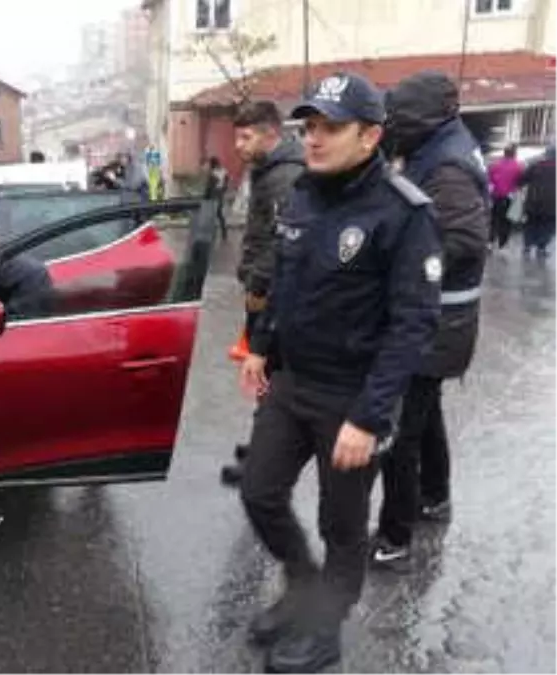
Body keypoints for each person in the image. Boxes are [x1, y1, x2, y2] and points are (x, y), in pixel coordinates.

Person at [238, 73, 442, 673]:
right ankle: (304, 588)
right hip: (295, 380)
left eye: (331, 128)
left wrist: (369, 417)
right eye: (309, 127)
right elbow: (284, 282)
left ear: (370, 134)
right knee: (259, 491)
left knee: (342, 523)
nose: (314, 139)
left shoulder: (404, 213)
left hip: (354, 396)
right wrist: (259, 346)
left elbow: (413, 326)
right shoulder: (303, 192)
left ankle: (325, 628)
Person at [373, 72, 490, 568]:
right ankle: (435, 497)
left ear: (420, 117)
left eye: (395, 119)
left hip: (437, 322)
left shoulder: (446, 165)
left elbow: (463, 240)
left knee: (399, 431)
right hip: (443, 321)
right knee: (426, 415)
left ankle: (395, 540)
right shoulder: (439, 147)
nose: (389, 128)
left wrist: (400, 254)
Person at [220, 101, 305, 487]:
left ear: (271, 133)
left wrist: (257, 284)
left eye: (246, 136)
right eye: (237, 136)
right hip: (268, 292)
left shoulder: (285, 176)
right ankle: (261, 446)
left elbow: (282, 240)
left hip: (275, 296)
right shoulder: (268, 170)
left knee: (267, 375)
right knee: (264, 373)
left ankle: (264, 461)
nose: (238, 145)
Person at [517, 143, 557, 259]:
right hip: (552, 205)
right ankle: (541, 248)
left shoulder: (536, 165)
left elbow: (521, 180)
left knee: (531, 223)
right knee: (547, 226)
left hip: (533, 201)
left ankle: (527, 246)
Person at [487, 144, 523, 249]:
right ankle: (502, 243)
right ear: (514, 154)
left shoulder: (495, 165)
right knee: (507, 221)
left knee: (494, 219)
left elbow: (489, 181)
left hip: (495, 196)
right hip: (510, 198)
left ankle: (490, 241)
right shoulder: (518, 166)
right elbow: (520, 182)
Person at [202, 156, 229, 240]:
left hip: (213, 195)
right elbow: (226, 184)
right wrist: (223, 191)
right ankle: (224, 233)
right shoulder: (224, 171)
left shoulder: (213, 173)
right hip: (220, 194)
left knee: (212, 215)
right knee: (220, 214)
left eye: (210, 163)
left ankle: (212, 234)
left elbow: (209, 187)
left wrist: (205, 198)